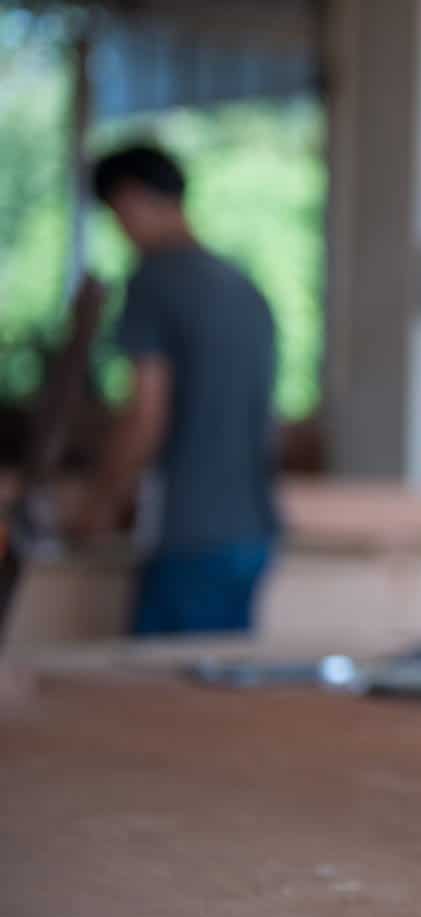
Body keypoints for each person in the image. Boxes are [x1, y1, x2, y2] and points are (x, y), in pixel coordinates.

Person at [68, 143, 280, 635]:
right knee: (217, 690)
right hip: (255, 531)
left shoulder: (155, 282)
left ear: (133, 198)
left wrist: (99, 505)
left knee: (159, 694)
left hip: (190, 533)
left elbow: (145, 413)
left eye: (117, 214)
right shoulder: (244, 287)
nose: (121, 230)